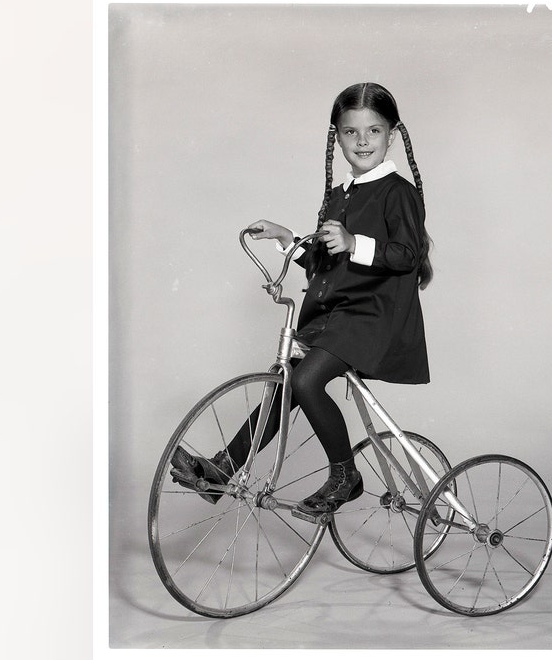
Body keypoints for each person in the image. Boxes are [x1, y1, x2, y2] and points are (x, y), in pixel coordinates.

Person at [171, 82, 433, 516]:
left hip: (375, 317)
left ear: (392, 135)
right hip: (338, 317)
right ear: (337, 138)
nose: (363, 141)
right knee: (287, 387)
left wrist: (354, 242)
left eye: (373, 131)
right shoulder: (340, 194)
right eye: (351, 132)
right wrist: (287, 238)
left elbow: (407, 256)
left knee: (307, 380)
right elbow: (324, 261)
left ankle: (345, 475)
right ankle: (223, 471)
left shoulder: (397, 192)